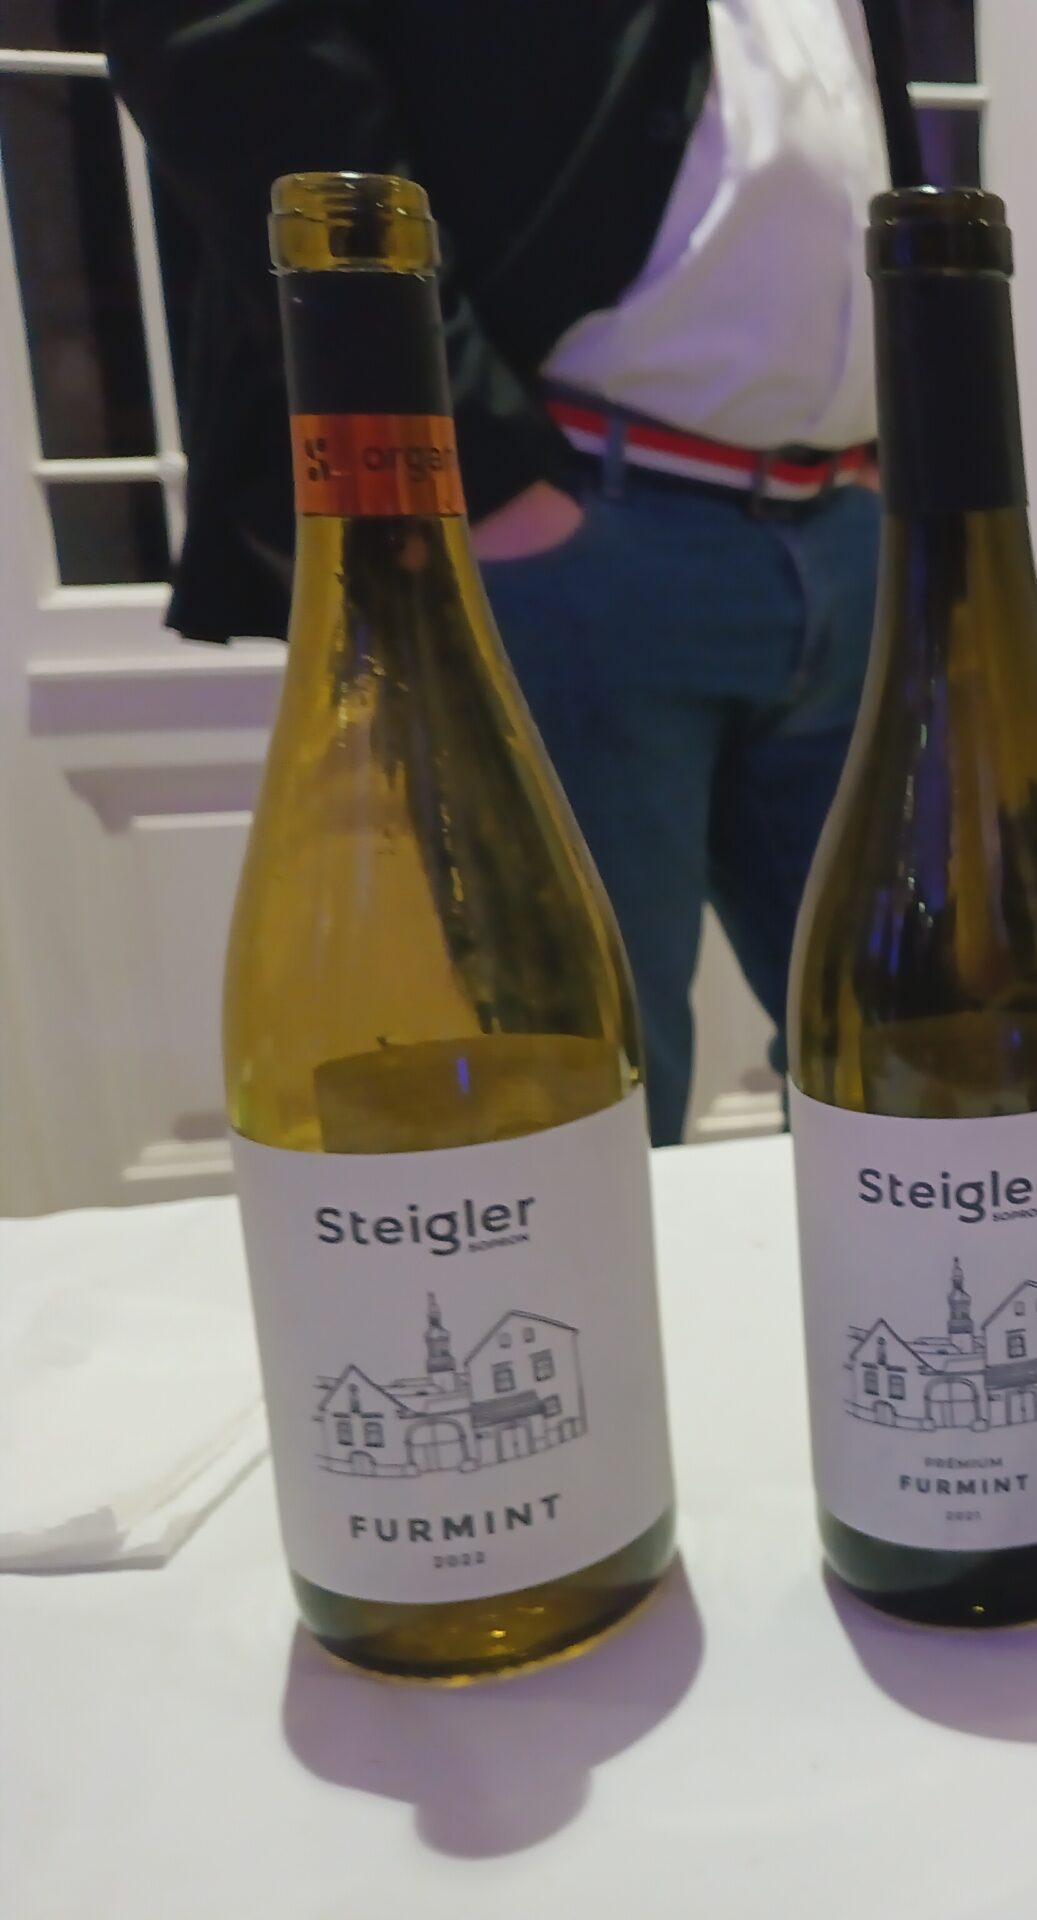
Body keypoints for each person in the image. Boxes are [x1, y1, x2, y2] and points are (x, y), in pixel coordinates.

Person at [106, 0, 923, 1142]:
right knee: (574, 1096)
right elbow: (226, 44)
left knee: (911, 1050)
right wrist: (477, 468)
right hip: (570, 532)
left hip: (847, 524)